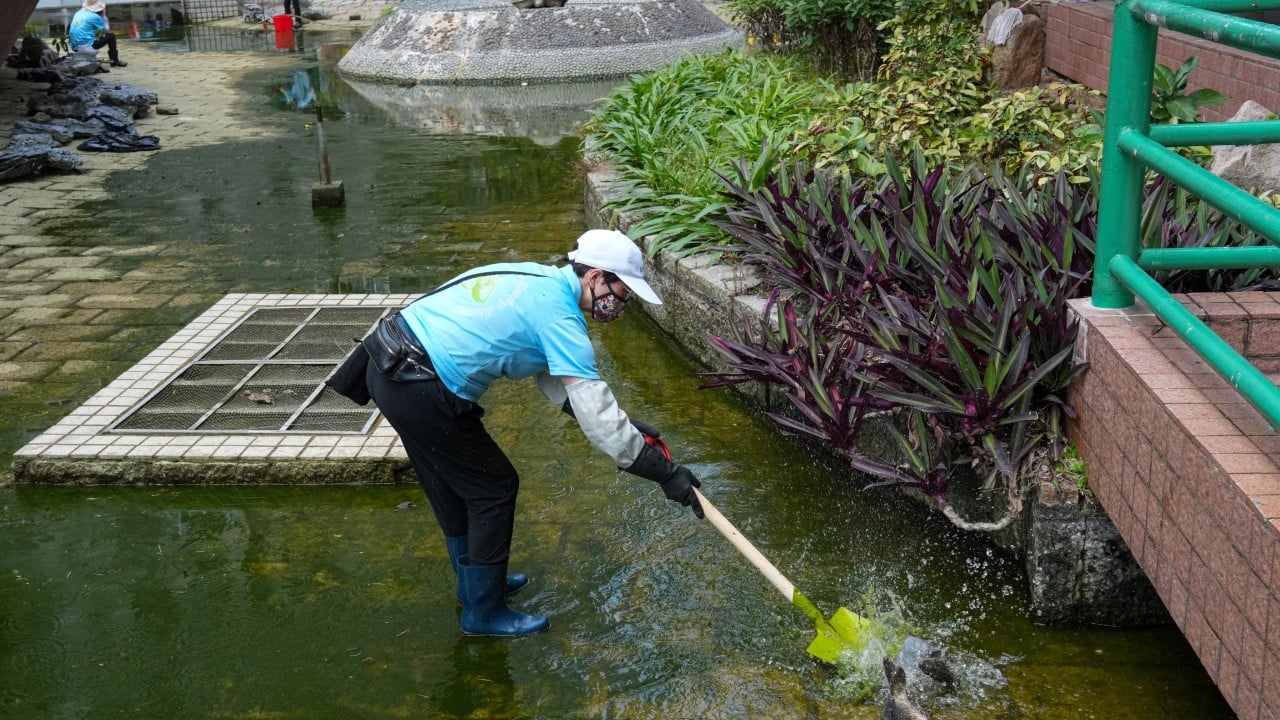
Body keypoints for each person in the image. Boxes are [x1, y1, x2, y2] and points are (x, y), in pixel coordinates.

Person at [363, 229, 704, 638]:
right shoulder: (560, 318)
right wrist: (665, 473)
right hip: (418, 382)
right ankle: (483, 613)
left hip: (390, 367)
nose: (622, 304)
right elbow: (598, 417)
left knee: (456, 486)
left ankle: (474, 587)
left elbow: (556, 380)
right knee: (493, 487)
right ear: (595, 277)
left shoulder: (538, 281)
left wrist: (626, 426)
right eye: (623, 293)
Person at [68, 0, 127, 68]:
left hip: (74, 46)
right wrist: (104, 16)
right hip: (86, 47)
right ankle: (114, 61)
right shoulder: (95, 17)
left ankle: (113, 60)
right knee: (111, 36)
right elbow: (107, 30)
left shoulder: (78, 13)